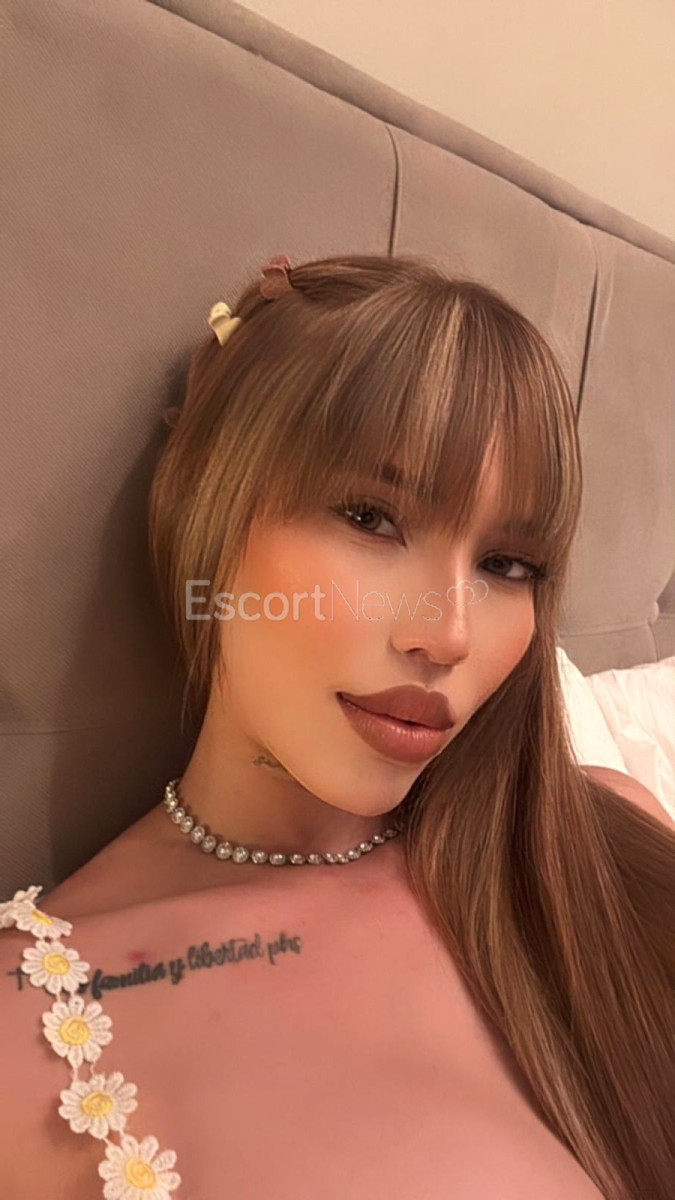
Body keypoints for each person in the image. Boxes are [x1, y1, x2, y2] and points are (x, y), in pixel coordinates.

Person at [1, 252, 673, 1200]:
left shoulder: (601, 836)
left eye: (507, 565)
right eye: (370, 517)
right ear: (207, 503)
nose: (447, 634)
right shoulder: (34, 1030)